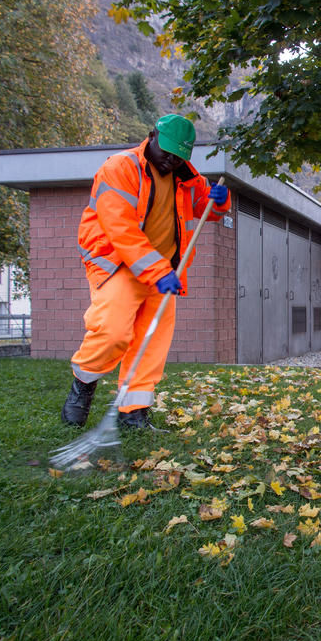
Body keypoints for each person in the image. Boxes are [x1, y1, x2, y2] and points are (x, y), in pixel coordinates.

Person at [61, 114, 231, 430]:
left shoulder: (184, 175)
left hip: (164, 271)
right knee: (112, 332)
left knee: (150, 345)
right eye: (166, 152)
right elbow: (120, 229)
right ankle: (82, 388)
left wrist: (219, 202)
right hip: (119, 265)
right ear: (151, 136)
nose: (170, 161)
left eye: (178, 156)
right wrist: (157, 271)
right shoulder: (120, 168)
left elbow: (206, 208)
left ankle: (133, 413)